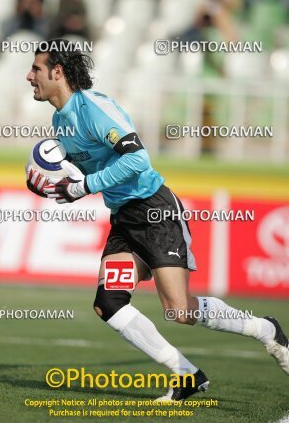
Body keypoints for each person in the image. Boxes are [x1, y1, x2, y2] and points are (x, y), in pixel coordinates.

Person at [25, 39, 289, 401]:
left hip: (155, 211)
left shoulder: (95, 108)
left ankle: (265, 328)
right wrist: (54, 186)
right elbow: (83, 175)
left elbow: (138, 161)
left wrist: (83, 185)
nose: (29, 76)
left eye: (36, 69)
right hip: (124, 222)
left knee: (179, 310)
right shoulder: (60, 121)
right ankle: (186, 374)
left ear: (57, 72)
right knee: (110, 303)